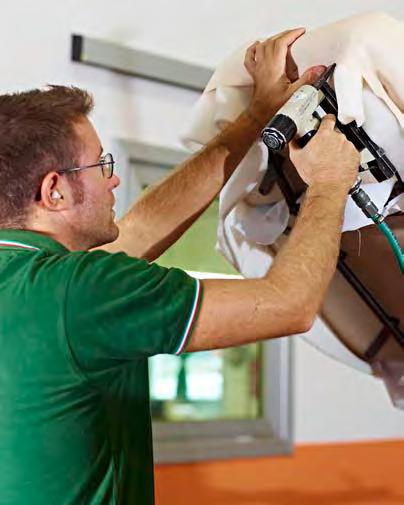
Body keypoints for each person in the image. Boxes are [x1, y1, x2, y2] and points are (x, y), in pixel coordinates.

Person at [0, 28, 359, 505]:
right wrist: (330, 182)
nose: (113, 181)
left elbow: (140, 230)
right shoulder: (78, 291)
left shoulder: (35, 283)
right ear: (54, 191)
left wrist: (256, 116)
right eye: (100, 166)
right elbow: (288, 304)